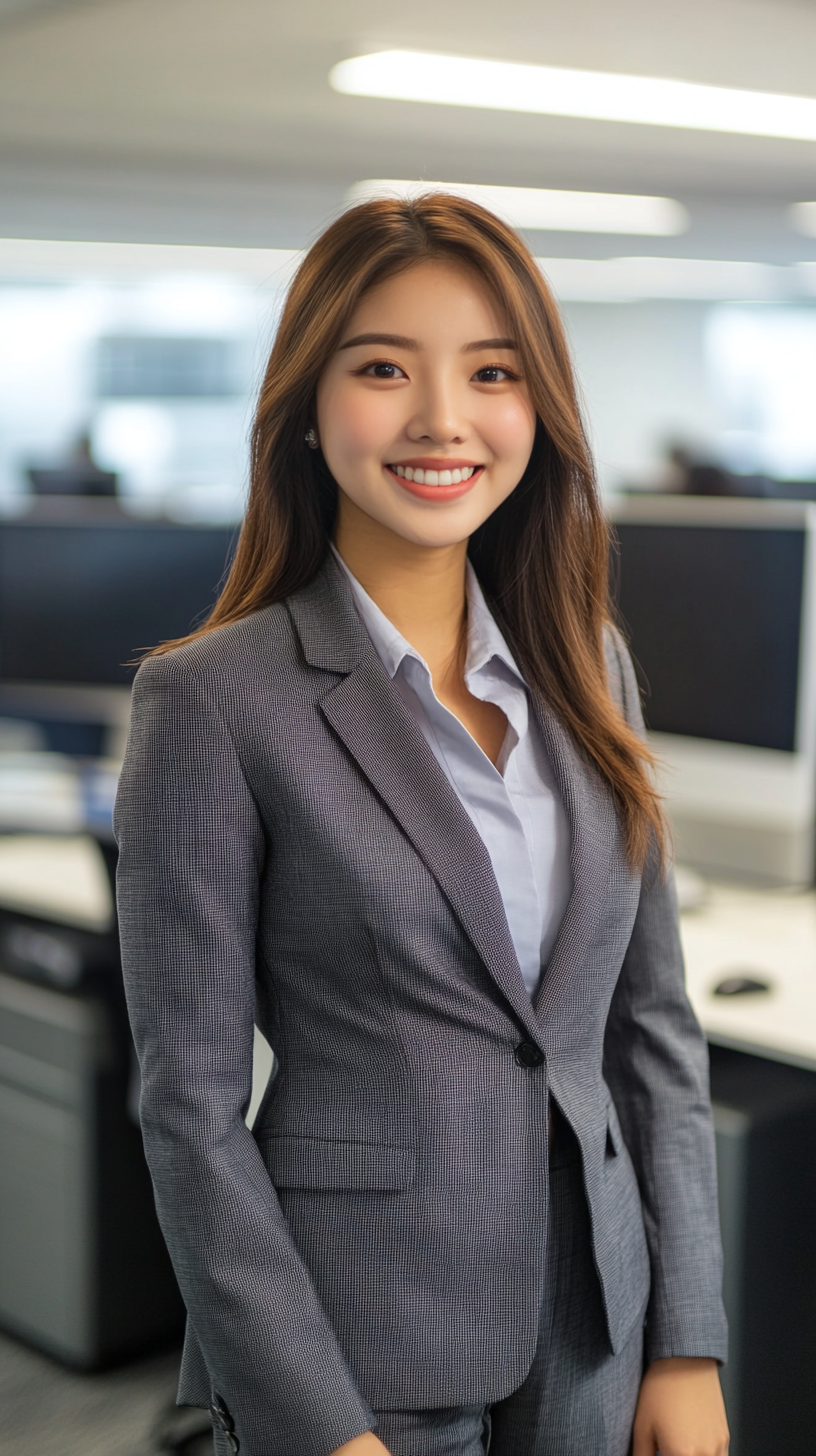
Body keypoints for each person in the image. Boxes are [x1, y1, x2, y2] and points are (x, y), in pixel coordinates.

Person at [114, 195, 729, 1456]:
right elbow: (189, 1109)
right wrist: (314, 1422)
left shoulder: (587, 665)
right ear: (305, 404)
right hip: (360, 1347)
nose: (443, 418)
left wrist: (688, 1339)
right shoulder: (216, 697)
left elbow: (648, 1032)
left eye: (492, 372)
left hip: (595, 1330)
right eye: (384, 367)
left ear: (537, 408)